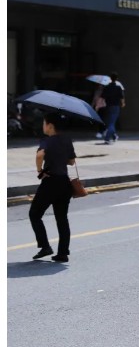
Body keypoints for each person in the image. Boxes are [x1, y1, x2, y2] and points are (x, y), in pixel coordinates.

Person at [29, 112, 76, 262]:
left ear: (50, 126)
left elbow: (39, 156)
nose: (43, 126)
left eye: (44, 123)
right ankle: (63, 253)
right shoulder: (67, 140)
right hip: (65, 183)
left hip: (50, 182)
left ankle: (45, 246)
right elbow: (71, 161)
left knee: (35, 214)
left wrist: (39, 171)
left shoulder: (46, 141)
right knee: (62, 218)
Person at [101, 72, 125, 144]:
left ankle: (114, 136)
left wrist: (99, 104)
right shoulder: (118, 87)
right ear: (116, 79)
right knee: (112, 122)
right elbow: (122, 97)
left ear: (110, 78)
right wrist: (123, 103)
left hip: (108, 106)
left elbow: (102, 96)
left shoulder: (107, 87)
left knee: (110, 122)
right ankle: (107, 138)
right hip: (116, 106)